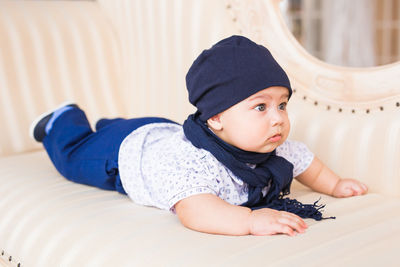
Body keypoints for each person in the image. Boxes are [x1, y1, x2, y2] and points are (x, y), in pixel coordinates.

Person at [30, 35, 368, 236]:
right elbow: (197, 211)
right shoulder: (195, 164)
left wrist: (335, 185)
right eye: (261, 108)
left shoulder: (278, 151)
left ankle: (110, 123)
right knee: (73, 157)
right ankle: (65, 119)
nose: (278, 118)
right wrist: (249, 220)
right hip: (124, 155)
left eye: (282, 104)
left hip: (163, 132)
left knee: (126, 127)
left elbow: (309, 166)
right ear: (217, 117)